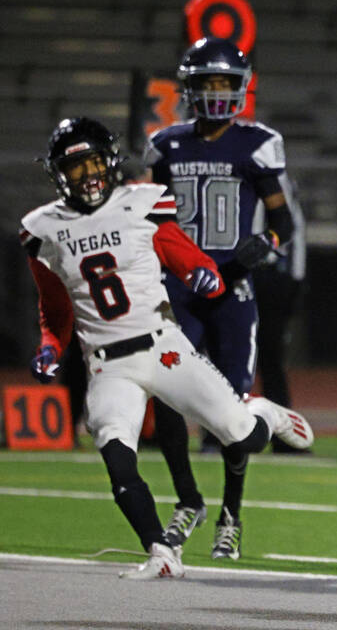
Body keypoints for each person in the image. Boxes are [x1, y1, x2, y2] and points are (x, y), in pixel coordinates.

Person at [20, 117, 313, 580]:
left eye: (94, 162)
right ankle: (160, 551)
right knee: (117, 458)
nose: (88, 175)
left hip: (163, 347)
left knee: (245, 436)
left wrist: (203, 273)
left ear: (110, 161)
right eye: (75, 169)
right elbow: (54, 310)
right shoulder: (43, 229)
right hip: (107, 367)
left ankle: (265, 413)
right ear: (59, 174)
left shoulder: (142, 202)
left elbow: (183, 254)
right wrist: (50, 347)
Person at [144, 37, 300, 560]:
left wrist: (269, 243)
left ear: (240, 87)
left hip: (231, 287)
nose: (214, 92)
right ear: (188, 87)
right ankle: (188, 500)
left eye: (223, 82)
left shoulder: (256, 143)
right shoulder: (167, 144)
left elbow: (283, 219)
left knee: (231, 407)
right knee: (166, 393)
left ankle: (231, 513)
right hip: (178, 290)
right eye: (205, 82)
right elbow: (152, 218)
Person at [250, 171, 307, 453]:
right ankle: (223, 434)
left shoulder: (274, 176)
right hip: (247, 273)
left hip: (269, 274)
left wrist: (295, 277)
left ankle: (283, 436)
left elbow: (293, 229)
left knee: (269, 358)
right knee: (234, 357)